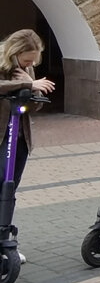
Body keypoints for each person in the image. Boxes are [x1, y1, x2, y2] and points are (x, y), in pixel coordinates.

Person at [0, 30, 56, 262]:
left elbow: (34, 105)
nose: (30, 65)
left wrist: (34, 91)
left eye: (33, 61)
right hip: (2, 135)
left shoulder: (27, 70)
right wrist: (28, 83)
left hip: (19, 135)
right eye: (26, 60)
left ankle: (4, 241)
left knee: (9, 189)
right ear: (14, 53)